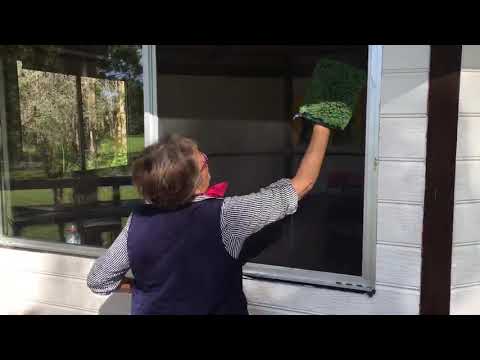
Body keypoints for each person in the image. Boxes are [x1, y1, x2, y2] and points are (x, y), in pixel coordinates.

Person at [86, 124, 330, 315]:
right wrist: (323, 125)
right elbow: (302, 184)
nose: (206, 158)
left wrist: (145, 288)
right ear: (193, 181)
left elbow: (99, 280)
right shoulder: (225, 215)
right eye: (202, 158)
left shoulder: (138, 219)